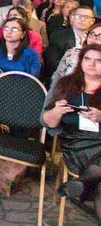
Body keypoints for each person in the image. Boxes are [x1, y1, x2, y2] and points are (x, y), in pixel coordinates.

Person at [42, 45, 101, 220]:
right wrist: (57, 111)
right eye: (87, 59)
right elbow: (48, 122)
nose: (91, 64)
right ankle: (84, 184)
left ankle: (82, 185)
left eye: (98, 61)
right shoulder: (66, 84)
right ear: (81, 61)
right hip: (76, 143)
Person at [0, 17, 42, 115]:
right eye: (6, 28)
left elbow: (33, 79)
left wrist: (8, 81)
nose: (9, 32)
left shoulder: (32, 55)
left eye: (14, 29)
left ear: (23, 34)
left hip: (20, 95)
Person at [48, 6, 96, 79]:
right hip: (65, 77)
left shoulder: (95, 38)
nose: (82, 19)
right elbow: (52, 62)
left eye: (86, 17)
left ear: (92, 21)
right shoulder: (58, 36)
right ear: (72, 18)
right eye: (79, 16)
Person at [52, 22, 101, 86]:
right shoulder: (71, 54)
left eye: (100, 36)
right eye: (92, 34)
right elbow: (56, 79)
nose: (93, 39)